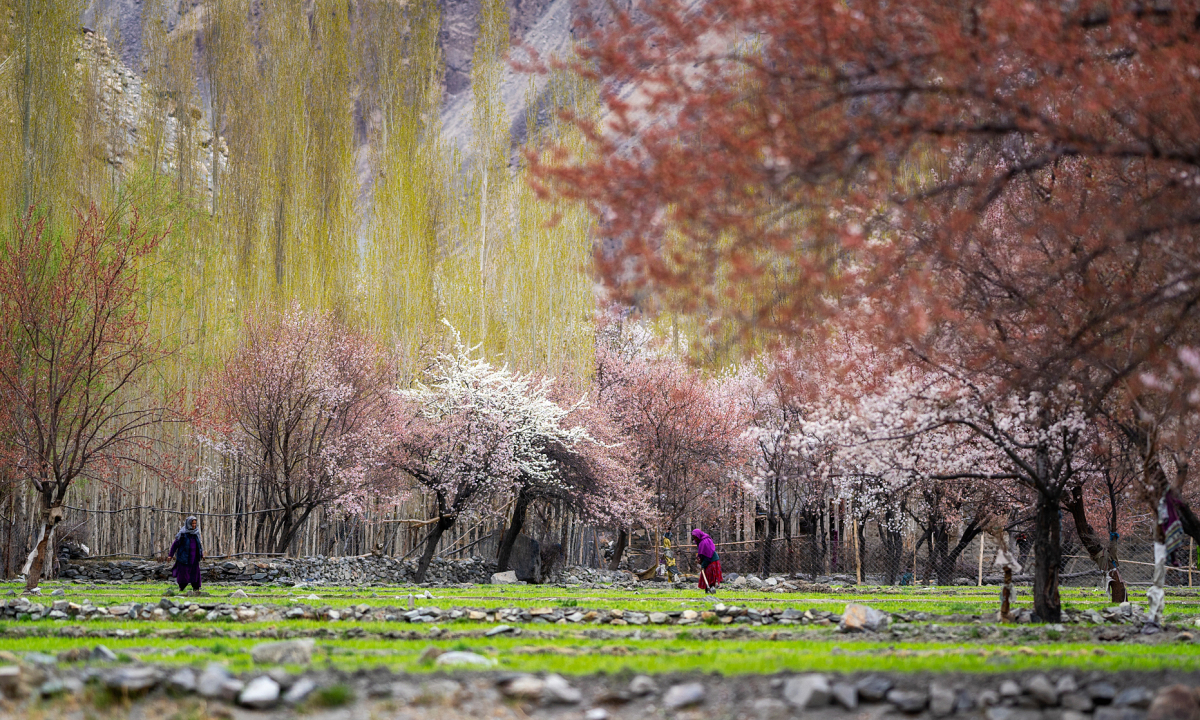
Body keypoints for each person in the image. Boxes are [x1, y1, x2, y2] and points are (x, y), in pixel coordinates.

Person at [169, 515, 204, 594]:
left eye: (195, 523)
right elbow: (175, 545)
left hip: (194, 558)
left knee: (195, 574)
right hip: (184, 558)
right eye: (192, 524)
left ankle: (196, 588)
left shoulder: (196, 533)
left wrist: (201, 554)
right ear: (188, 524)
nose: (194, 525)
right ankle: (181, 588)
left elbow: (199, 545)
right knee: (183, 574)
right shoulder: (182, 534)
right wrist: (170, 555)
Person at [692, 528, 722, 594]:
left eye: (696, 537)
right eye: (694, 538)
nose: (695, 539)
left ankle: (710, 589)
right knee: (707, 576)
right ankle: (708, 590)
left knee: (709, 576)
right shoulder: (701, 541)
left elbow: (707, 555)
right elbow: (701, 553)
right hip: (708, 559)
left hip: (711, 560)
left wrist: (703, 565)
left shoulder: (704, 542)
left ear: (699, 535)